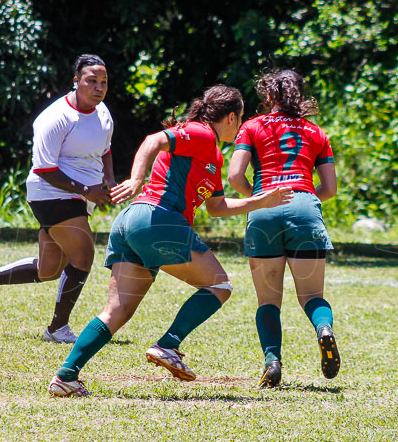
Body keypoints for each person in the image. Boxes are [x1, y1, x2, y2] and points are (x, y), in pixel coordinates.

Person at [47, 85, 293, 397]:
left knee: (117, 312)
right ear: (231, 117)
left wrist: (262, 201)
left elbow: (217, 207)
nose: (241, 124)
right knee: (219, 285)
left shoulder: (213, 156)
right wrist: (137, 179)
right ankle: (169, 344)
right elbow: (154, 140)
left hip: (132, 224)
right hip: (157, 218)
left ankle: (66, 376)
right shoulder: (202, 134)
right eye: (241, 117)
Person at [0, 54, 115, 343]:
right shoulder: (55, 118)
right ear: (76, 81)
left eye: (103, 81)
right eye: (92, 80)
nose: (99, 87)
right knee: (83, 254)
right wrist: (86, 190)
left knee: (49, 269)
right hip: (50, 192)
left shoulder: (103, 112)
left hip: (79, 196)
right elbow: (45, 170)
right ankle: (57, 329)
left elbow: (105, 150)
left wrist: (110, 181)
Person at [227, 69, 340, 388]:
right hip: (305, 209)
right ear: (299, 96)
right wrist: (303, 200)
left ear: (268, 96)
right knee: (312, 296)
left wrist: (260, 200)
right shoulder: (315, 132)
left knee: (268, 301)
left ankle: (272, 362)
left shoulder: (251, 127)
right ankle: (324, 329)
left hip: (264, 212)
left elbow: (235, 177)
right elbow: (329, 188)